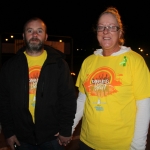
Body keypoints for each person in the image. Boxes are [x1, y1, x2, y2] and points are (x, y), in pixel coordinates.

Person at [72, 7, 150, 150]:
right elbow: (82, 100)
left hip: (121, 145)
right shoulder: (88, 62)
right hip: (87, 143)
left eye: (111, 27)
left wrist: (138, 146)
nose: (105, 31)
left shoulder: (135, 61)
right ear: (96, 32)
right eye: (101, 27)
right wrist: (69, 129)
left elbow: (144, 105)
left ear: (120, 32)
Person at [0, 17, 77, 150]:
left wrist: (65, 129)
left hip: (53, 138)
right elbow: (4, 102)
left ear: (45, 36)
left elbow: (68, 99)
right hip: (21, 139)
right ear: (24, 36)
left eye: (39, 31)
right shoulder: (10, 67)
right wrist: (9, 132)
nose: (35, 34)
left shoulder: (59, 64)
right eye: (30, 31)